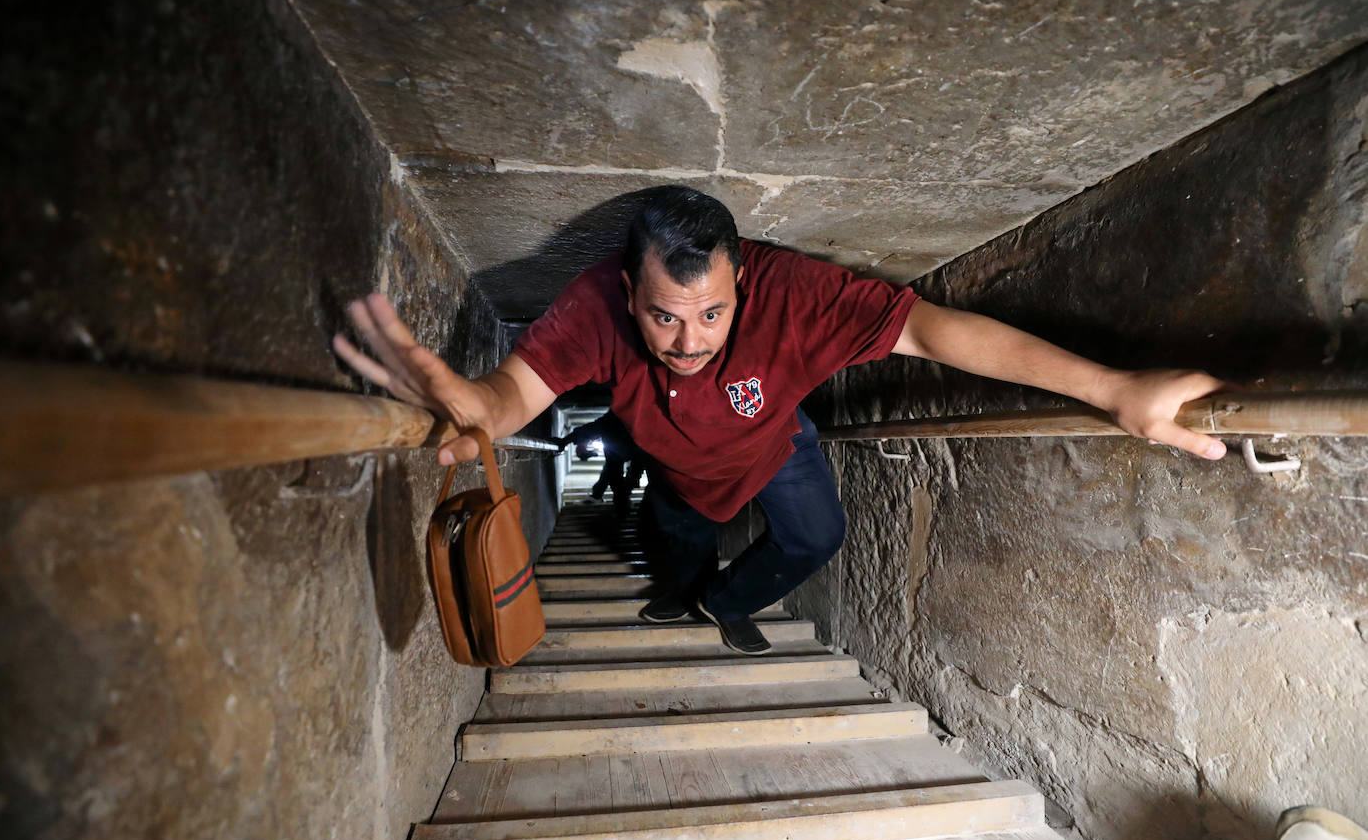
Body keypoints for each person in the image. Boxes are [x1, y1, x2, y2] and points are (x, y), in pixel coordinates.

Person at [333, 185, 1226, 655]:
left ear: (744, 284)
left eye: (713, 313)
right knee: (675, 549)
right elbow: (511, 396)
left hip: (776, 447)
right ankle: (680, 596)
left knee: (819, 534)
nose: (690, 342)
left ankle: (727, 601)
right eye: (664, 317)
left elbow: (933, 329)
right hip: (674, 472)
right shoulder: (590, 304)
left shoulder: (798, 295)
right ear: (627, 293)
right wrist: (474, 403)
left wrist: (1111, 390)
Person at [555, 411, 645, 516]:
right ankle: (620, 503)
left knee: (623, 474)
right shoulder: (613, 420)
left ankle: (620, 502)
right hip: (629, 451)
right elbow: (589, 430)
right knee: (616, 475)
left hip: (637, 449)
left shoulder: (614, 420)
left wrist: (565, 441)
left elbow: (590, 430)